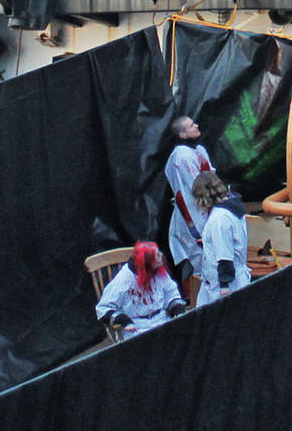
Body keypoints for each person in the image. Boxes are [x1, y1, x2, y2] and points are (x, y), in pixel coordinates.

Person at [165, 116, 215, 303]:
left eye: (195, 122)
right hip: (190, 219)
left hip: (207, 212)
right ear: (182, 134)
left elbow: (210, 176)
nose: (197, 125)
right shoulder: (181, 156)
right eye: (192, 125)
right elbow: (198, 186)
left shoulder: (199, 150)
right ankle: (194, 302)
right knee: (195, 261)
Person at [94, 241, 186, 337]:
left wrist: (177, 309)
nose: (162, 255)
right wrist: (123, 320)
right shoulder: (123, 281)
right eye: (157, 255)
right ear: (148, 264)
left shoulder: (158, 272)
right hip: (137, 327)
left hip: (162, 319)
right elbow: (103, 309)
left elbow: (171, 293)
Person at [192, 171, 251, 306]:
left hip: (225, 285)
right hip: (230, 280)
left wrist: (224, 288)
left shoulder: (219, 218)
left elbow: (224, 256)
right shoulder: (232, 208)